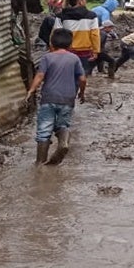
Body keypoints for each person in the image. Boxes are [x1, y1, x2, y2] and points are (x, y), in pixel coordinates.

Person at [25, 27, 85, 166]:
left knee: (44, 129)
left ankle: (40, 162)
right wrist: (81, 93)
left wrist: (31, 90)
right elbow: (82, 79)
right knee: (63, 124)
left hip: (49, 98)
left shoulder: (47, 57)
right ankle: (63, 142)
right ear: (70, 44)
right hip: (68, 99)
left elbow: (40, 76)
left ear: (51, 44)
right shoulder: (74, 58)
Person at [54, 0, 101, 74]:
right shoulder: (92, 16)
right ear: (81, 1)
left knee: (67, 74)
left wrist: (53, 50)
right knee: (81, 76)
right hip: (85, 52)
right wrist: (95, 51)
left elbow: (55, 34)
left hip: (66, 51)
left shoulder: (61, 16)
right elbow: (95, 35)